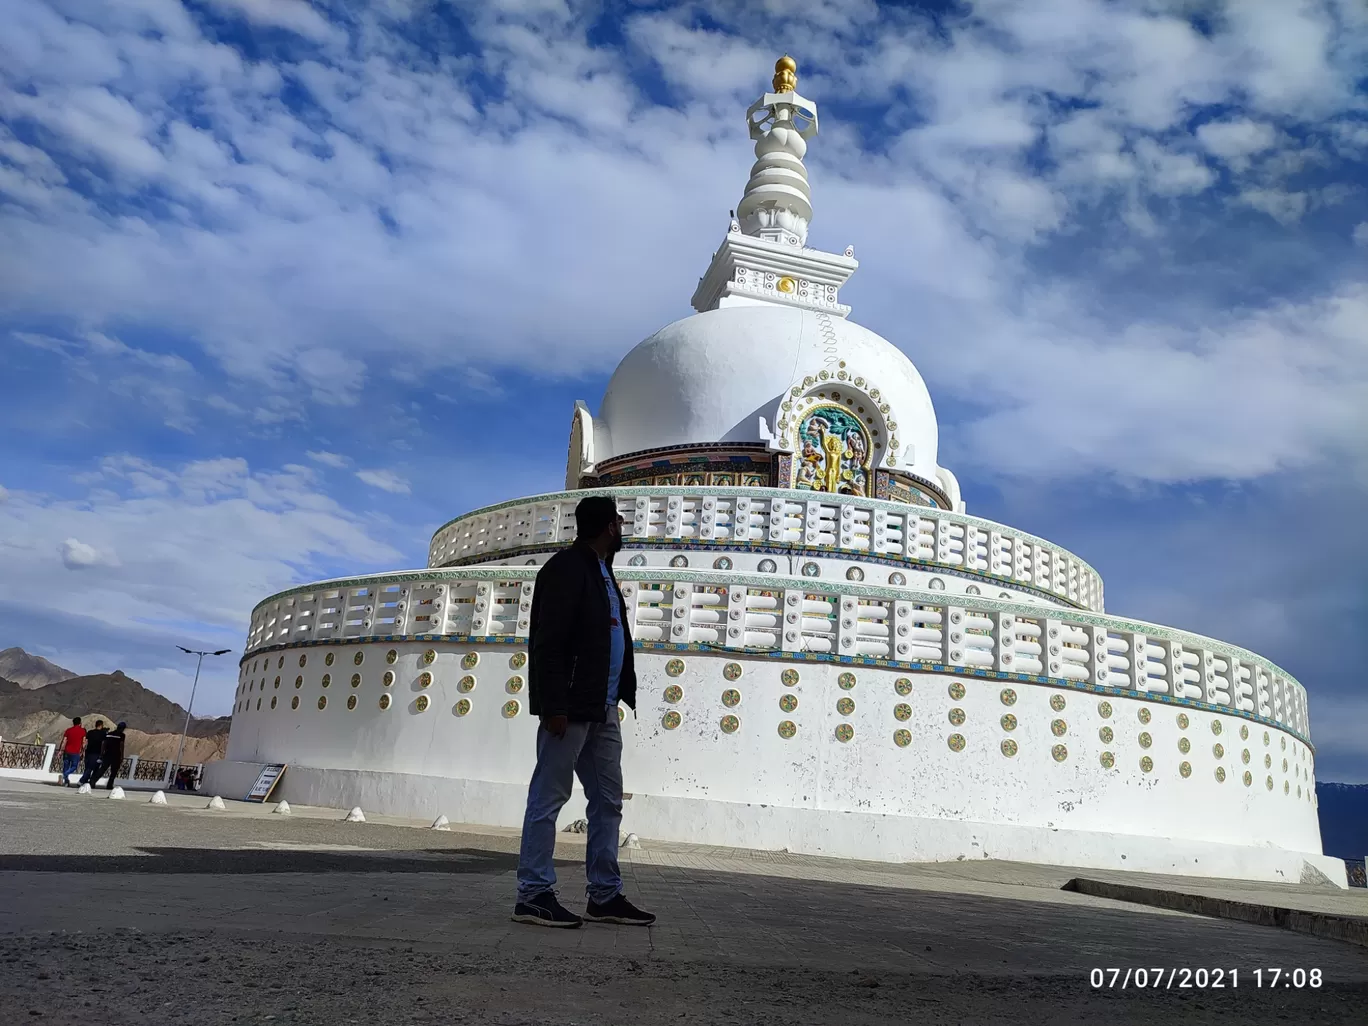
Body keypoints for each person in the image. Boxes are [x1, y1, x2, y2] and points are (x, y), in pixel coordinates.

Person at [512, 495, 655, 929]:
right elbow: (547, 643)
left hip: (603, 708)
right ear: (610, 525)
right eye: (619, 522)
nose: (623, 528)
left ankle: (604, 894)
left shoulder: (603, 573)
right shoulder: (564, 569)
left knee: (608, 801)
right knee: (549, 796)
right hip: (570, 707)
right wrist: (553, 705)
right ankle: (533, 893)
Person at [93, 721, 127, 790]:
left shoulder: (109, 734)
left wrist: (102, 753)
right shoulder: (122, 735)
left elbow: (104, 744)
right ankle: (109, 785)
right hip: (116, 755)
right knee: (114, 771)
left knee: (102, 769)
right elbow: (121, 745)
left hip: (107, 754)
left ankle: (92, 781)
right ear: (123, 728)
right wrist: (122, 756)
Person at [78, 719, 108, 786]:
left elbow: (85, 742)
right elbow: (103, 744)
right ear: (101, 725)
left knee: (88, 767)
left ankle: (87, 782)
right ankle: (82, 781)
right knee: (93, 768)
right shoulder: (103, 734)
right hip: (96, 753)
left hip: (88, 752)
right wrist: (102, 753)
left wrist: (82, 751)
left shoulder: (90, 732)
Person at [59, 717, 86, 786]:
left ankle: (66, 782)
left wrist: (61, 750)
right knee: (74, 766)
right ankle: (65, 775)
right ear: (80, 723)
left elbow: (64, 741)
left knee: (66, 766)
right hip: (75, 752)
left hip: (67, 751)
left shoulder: (68, 730)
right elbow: (83, 743)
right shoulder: (82, 731)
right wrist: (82, 751)